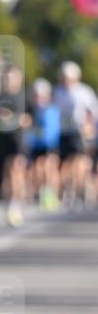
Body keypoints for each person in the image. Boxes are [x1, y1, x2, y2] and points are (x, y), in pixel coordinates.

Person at [53, 61, 98, 209]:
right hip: (62, 132)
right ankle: (68, 191)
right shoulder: (57, 92)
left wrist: (88, 127)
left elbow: (93, 112)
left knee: (79, 162)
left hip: (78, 132)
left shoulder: (84, 91)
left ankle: (79, 192)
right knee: (65, 165)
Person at [0, 64, 29, 226]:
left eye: (12, 77)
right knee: (6, 174)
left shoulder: (23, 97)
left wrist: (16, 118)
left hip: (17, 140)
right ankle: (9, 204)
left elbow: (28, 120)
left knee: (15, 171)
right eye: (6, 77)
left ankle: (16, 206)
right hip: (0, 140)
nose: (8, 80)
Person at [26, 78, 61, 210]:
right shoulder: (32, 110)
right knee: (37, 169)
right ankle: (43, 192)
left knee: (49, 167)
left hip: (49, 145)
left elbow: (52, 131)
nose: (38, 99)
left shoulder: (52, 110)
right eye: (36, 96)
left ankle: (53, 193)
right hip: (36, 145)